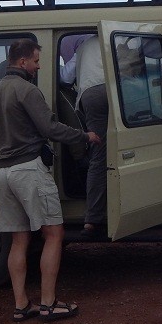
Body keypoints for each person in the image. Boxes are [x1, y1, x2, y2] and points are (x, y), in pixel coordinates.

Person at [0, 39, 101, 323]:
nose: (39, 67)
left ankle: (21, 304)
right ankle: (49, 303)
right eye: (36, 61)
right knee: (54, 234)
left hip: (2, 172)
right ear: (23, 62)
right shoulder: (27, 90)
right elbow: (49, 127)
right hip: (28, 170)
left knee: (19, 240)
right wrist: (83, 136)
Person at [63, 35, 107, 238]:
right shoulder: (122, 36)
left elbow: (65, 77)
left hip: (91, 94)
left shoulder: (83, 46)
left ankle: (92, 219)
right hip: (121, 91)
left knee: (99, 156)